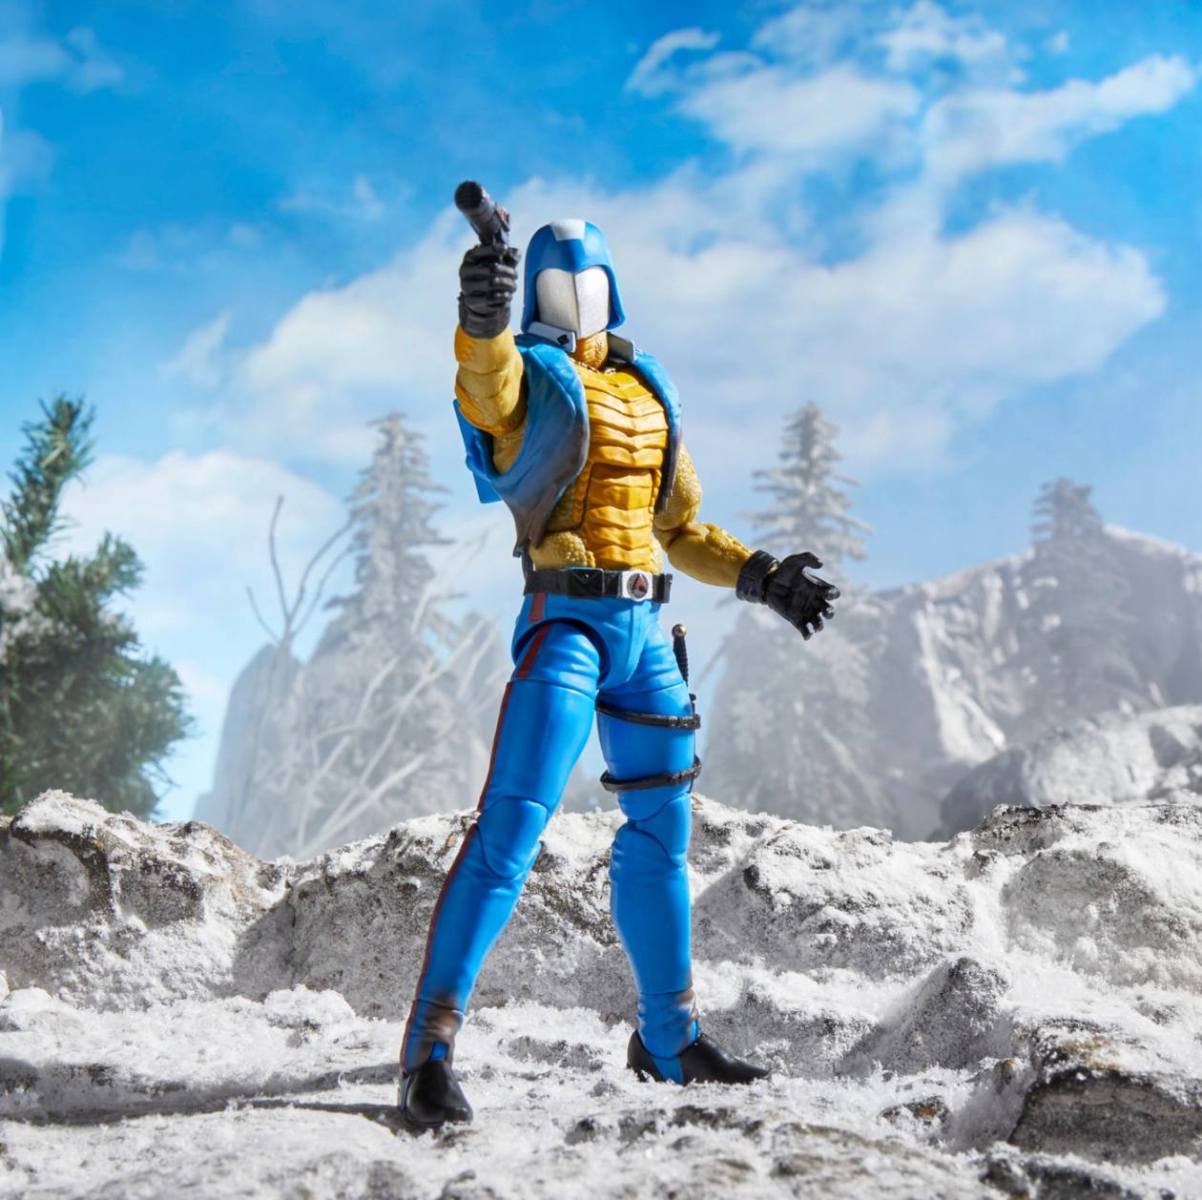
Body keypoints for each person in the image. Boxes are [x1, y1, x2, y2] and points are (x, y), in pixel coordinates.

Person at [399, 209, 839, 1128]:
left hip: (645, 632)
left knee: (662, 835)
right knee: (511, 826)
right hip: (567, 620)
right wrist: (481, 320)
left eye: (590, 281)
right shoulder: (530, 373)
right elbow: (489, 393)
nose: (577, 297)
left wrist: (761, 576)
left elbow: (680, 528)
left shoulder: (647, 386)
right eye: (557, 283)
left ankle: (669, 1040)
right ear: (532, 292)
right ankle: (429, 1049)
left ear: (612, 288)